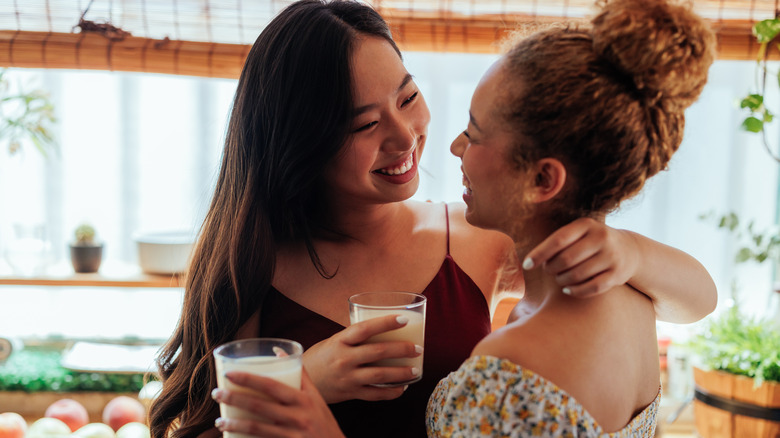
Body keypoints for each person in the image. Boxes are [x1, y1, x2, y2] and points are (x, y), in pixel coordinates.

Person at [149, 1, 717, 437]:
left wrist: (630, 250)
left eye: (408, 96)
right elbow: (199, 423)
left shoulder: (479, 238)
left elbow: (690, 301)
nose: (407, 137)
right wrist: (306, 378)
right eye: (362, 125)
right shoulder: (251, 260)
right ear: (301, 145)